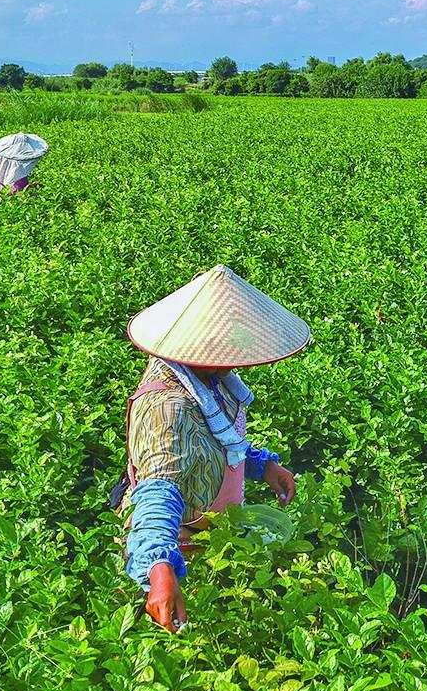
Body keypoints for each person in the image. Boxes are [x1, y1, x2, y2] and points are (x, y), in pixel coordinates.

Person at [116, 265, 310, 632]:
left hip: (211, 527)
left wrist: (261, 465)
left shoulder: (205, 377)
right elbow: (158, 490)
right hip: (176, 536)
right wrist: (160, 569)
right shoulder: (167, 406)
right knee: (190, 630)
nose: (233, 361)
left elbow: (213, 438)